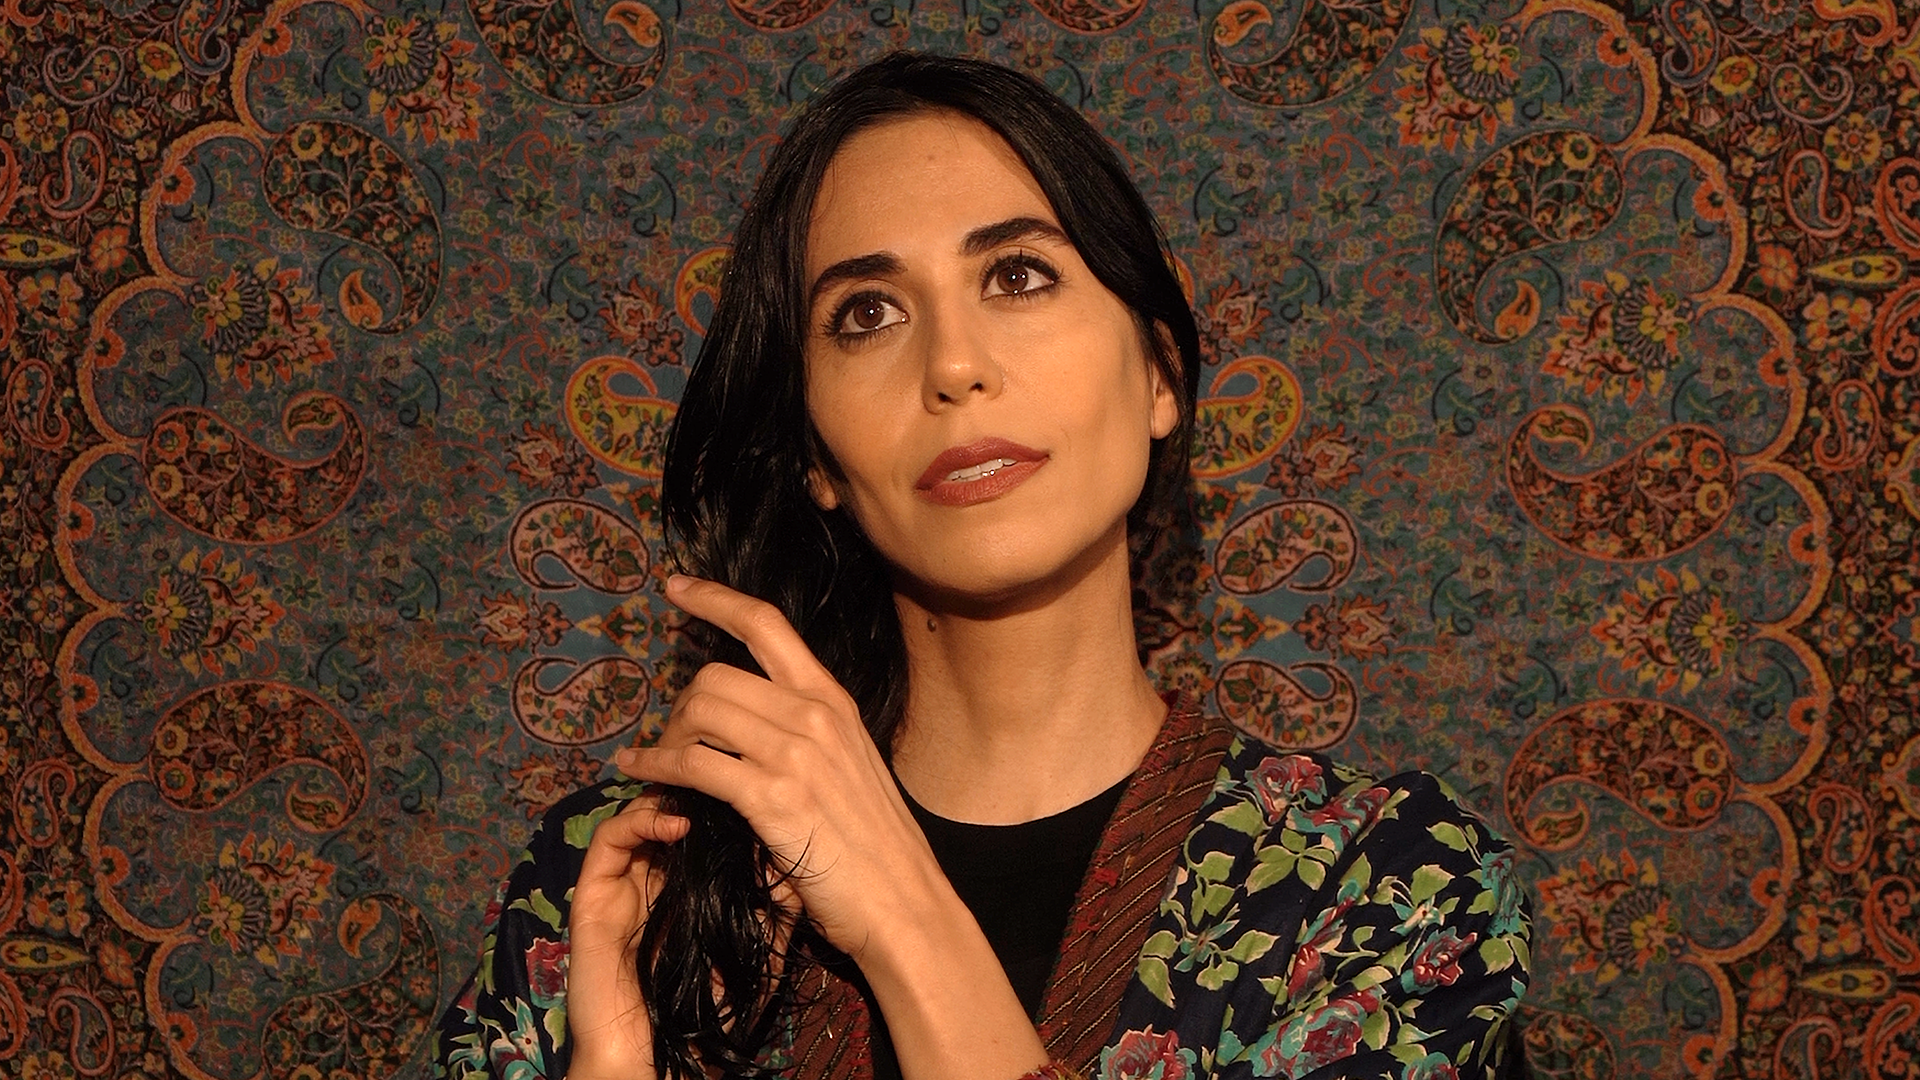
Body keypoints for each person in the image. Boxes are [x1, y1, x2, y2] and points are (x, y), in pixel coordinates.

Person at [437, 51, 1531, 1080]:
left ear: (1158, 375)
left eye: (1017, 275)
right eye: (867, 314)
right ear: (816, 454)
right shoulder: (620, 880)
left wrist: (903, 913)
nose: (954, 364)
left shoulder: (1389, 886)